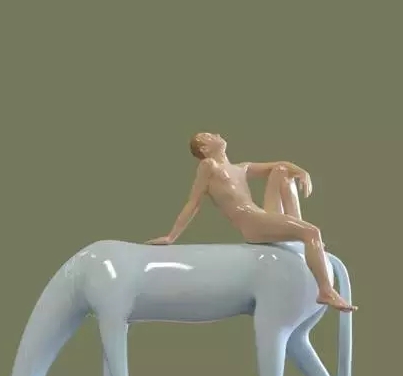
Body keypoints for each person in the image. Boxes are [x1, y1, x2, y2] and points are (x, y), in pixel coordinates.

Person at [146, 132, 356, 312]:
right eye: (209, 136)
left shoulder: (241, 168)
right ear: (204, 148)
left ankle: (297, 235)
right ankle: (325, 291)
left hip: (262, 217)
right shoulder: (209, 166)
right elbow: (193, 203)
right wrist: (171, 236)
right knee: (312, 232)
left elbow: (280, 164)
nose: (217, 134)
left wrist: (302, 172)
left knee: (281, 172)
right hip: (253, 224)